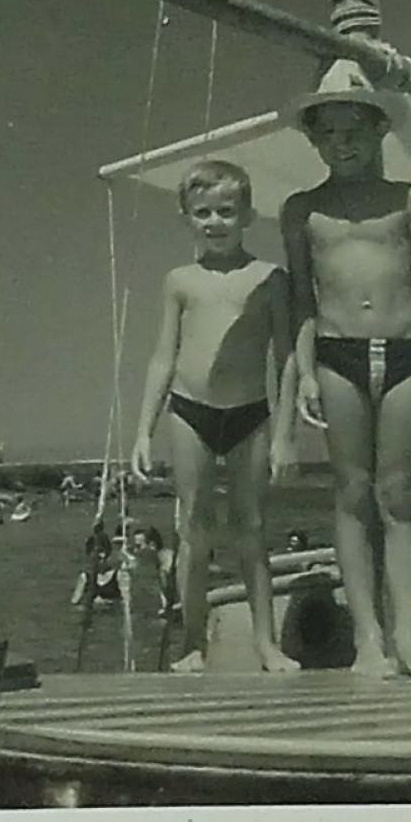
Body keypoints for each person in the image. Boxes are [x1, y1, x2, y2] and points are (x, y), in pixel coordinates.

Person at [279, 58, 411, 680]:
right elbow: (301, 298)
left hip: (403, 355)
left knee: (398, 496)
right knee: (352, 494)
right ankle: (368, 642)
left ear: (380, 129)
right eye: (328, 132)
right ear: (313, 138)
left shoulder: (409, 201)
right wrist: (302, 373)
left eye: (354, 129)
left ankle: (408, 638)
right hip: (336, 357)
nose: (342, 143)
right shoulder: (302, 211)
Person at [130, 159, 300, 675]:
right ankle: (192, 644)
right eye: (203, 212)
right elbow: (164, 354)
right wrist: (144, 428)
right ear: (186, 216)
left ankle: (266, 644)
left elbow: (286, 357)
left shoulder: (270, 280)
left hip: (250, 412)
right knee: (193, 530)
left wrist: (286, 434)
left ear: (248, 214)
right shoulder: (179, 281)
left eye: (227, 211)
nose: (215, 222)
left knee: (252, 527)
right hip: (189, 412)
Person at [70, 541, 125, 607]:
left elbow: (126, 601)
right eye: (99, 559)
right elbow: (74, 602)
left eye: (104, 559)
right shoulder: (85, 577)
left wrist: (107, 602)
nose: (102, 562)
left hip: (111, 612)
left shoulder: (118, 576)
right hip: (92, 612)